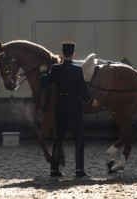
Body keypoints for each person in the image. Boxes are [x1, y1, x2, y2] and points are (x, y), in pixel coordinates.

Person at [39, 41, 99, 177]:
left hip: (60, 106)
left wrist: (43, 72)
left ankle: (54, 169)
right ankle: (79, 170)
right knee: (79, 138)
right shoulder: (78, 70)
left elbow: (45, 82)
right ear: (73, 54)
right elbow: (83, 90)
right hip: (74, 107)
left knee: (58, 138)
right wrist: (91, 101)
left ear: (62, 54)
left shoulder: (55, 68)